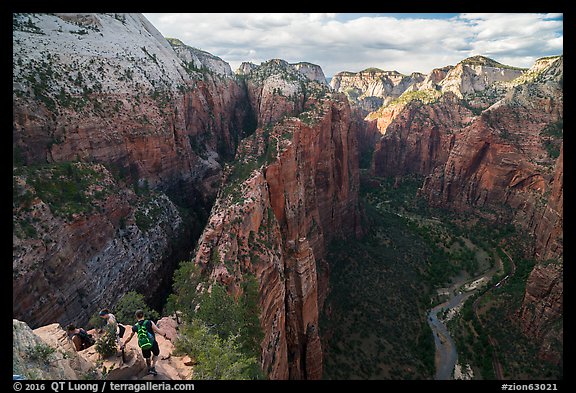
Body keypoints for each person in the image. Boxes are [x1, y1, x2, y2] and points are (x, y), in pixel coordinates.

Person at [121, 310, 167, 375]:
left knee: (147, 357)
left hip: (143, 344)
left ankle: (149, 368)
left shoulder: (135, 327)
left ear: (136, 317)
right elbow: (158, 331)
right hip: (152, 342)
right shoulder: (149, 322)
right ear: (143, 315)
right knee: (156, 354)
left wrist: (124, 343)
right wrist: (164, 334)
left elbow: (130, 337)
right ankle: (153, 366)